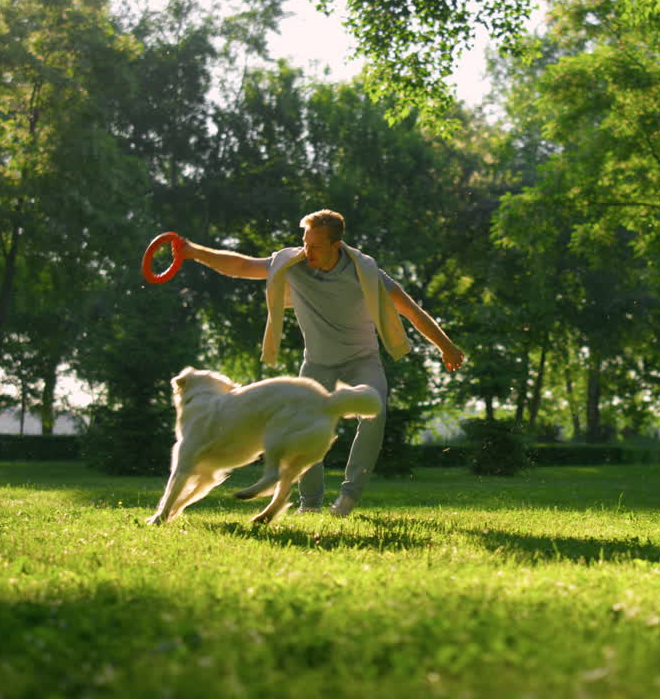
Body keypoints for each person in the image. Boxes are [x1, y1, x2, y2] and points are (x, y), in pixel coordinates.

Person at [179, 209, 465, 516]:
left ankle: (348, 498)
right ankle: (310, 504)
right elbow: (241, 265)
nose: (307, 251)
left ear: (336, 245)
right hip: (317, 365)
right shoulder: (292, 265)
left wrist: (446, 347)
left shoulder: (365, 272)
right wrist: (193, 252)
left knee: (375, 414)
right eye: (305, 242)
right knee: (303, 428)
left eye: (315, 246)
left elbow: (410, 309)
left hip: (362, 360)